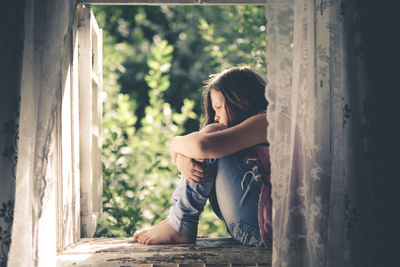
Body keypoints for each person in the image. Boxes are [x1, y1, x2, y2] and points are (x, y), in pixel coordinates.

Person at [133, 66, 272, 247]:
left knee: (211, 134)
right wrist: (184, 158)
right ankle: (176, 220)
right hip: (254, 227)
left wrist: (175, 144)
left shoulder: (269, 120)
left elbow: (202, 145)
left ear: (240, 100)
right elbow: (202, 147)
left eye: (219, 108)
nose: (216, 117)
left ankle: (180, 224)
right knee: (208, 140)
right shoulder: (247, 137)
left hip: (261, 227)